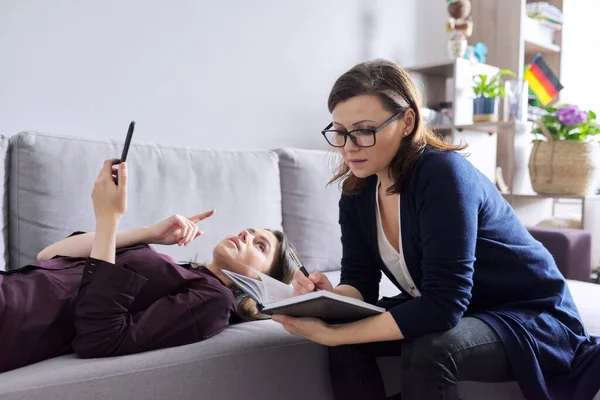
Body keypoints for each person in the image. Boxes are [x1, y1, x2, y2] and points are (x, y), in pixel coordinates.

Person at [273, 59, 600, 400]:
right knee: (345, 332)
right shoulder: (357, 190)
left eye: (364, 130)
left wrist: (334, 335)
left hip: (527, 313)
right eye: (339, 131)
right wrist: (325, 298)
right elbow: (360, 283)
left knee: (430, 347)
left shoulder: (443, 174)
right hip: (466, 308)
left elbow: (443, 305)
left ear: (406, 122)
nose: (348, 146)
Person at [0, 159, 296, 373]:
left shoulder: (214, 300)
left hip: (13, 319)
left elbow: (100, 338)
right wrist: (149, 233)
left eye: (260, 246)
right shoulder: (181, 270)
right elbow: (49, 255)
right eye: (251, 230)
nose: (246, 234)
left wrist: (108, 218)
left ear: (263, 281)